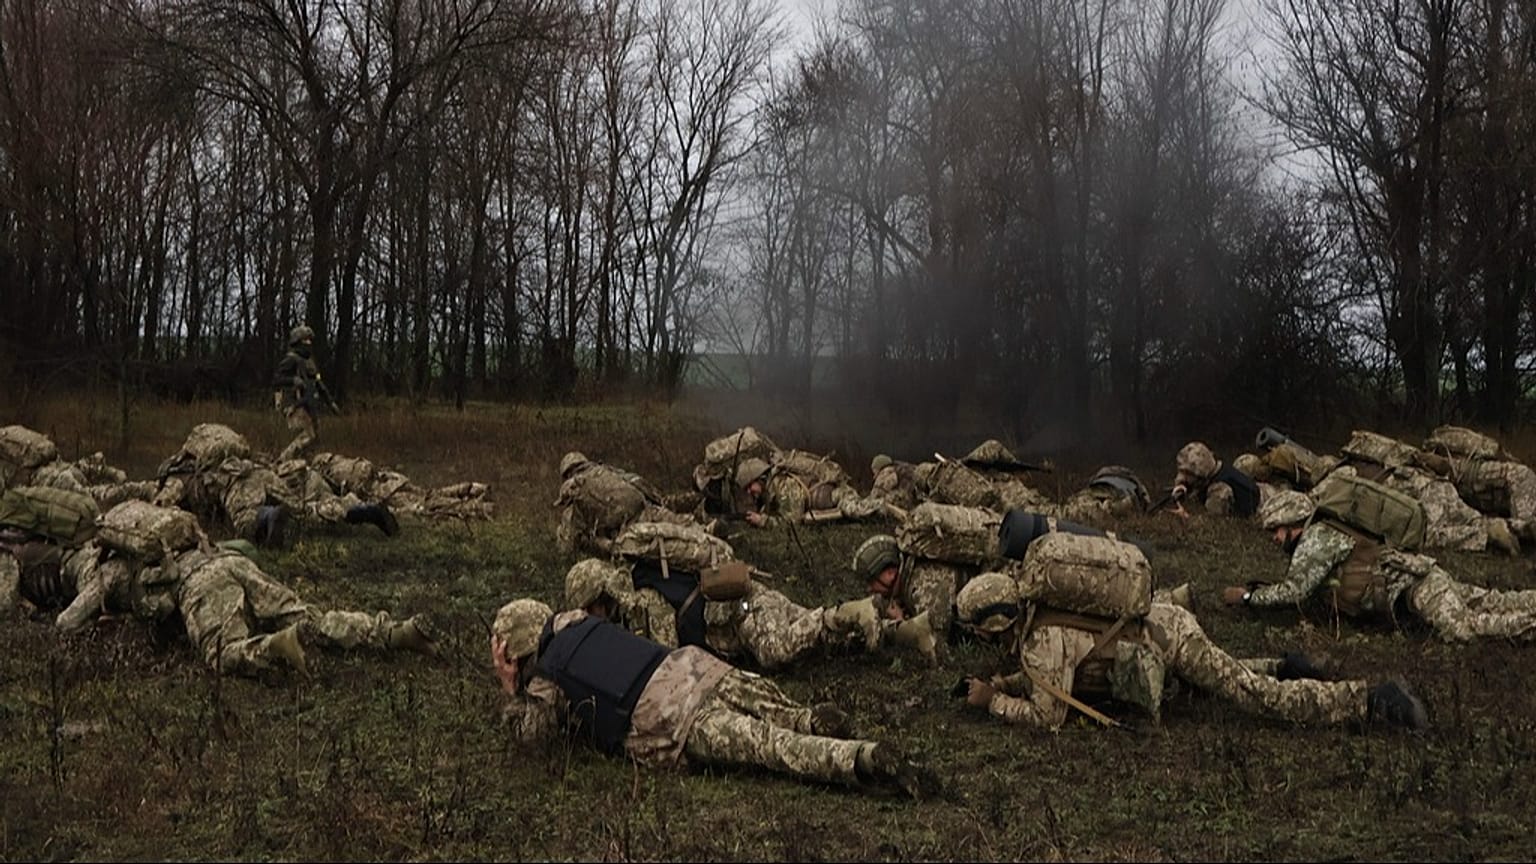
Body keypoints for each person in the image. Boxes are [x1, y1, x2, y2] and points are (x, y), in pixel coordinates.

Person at [488, 597, 940, 799]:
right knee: (780, 714)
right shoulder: (577, 621)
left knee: (771, 748)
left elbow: (536, 741)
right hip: (697, 667)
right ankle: (808, 718)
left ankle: (860, 758)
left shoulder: (546, 679)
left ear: (517, 649)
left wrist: (512, 690)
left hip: (672, 717)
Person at [951, 551, 1428, 732]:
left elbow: (1047, 716)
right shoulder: (1038, 617)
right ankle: (1285, 665)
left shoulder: (1039, 640)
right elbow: (1056, 674)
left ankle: (1371, 701)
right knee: (1225, 677)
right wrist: (1010, 680)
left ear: (994, 623)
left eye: (976, 629)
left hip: (1171, 639)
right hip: (1163, 630)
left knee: (1250, 696)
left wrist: (993, 702)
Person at [1, 503, 438, 678]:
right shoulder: (155, 530)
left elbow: (67, 622)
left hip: (200, 585)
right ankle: (394, 633)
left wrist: (48, 619)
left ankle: (276, 647)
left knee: (222, 653)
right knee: (310, 614)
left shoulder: (100, 571)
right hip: (230, 561)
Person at [1224, 490, 1536, 643]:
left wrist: (1249, 598)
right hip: (1420, 578)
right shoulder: (1327, 531)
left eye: (1275, 530)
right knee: (1494, 599)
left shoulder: (1316, 538)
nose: (1274, 538)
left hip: (1416, 588)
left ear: (1294, 523)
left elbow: (1295, 591)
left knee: (1464, 629)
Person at [563, 555, 923, 669]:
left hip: (745, 612)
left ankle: (848, 612)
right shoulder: (639, 588)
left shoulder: (644, 601)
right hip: (751, 603)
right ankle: (906, 632)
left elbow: (668, 657)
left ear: (599, 598)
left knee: (776, 651)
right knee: (820, 645)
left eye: (588, 608)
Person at [155, 423, 398, 546]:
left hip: (239, 486)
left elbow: (161, 506)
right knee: (303, 510)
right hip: (263, 473)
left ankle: (269, 515)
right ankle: (362, 510)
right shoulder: (217, 447)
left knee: (245, 523)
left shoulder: (179, 477)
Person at [554, 451, 701, 556]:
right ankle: (709, 533)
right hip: (649, 510)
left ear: (566, 475)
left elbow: (566, 548)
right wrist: (661, 502)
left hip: (628, 533)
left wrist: (562, 533)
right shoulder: (607, 471)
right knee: (690, 530)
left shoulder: (574, 490)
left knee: (674, 551)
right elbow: (638, 482)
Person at [734, 456, 887, 529]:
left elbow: (794, 522)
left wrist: (763, 521)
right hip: (829, 504)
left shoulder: (784, 486)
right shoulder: (772, 490)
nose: (749, 491)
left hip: (838, 496)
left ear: (760, 478)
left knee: (858, 511)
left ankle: (890, 508)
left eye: (750, 486)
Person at [273, 324, 335, 461]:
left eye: (310, 340)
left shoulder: (310, 362)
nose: (309, 343)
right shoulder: (291, 359)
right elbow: (276, 380)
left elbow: (318, 381)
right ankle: (282, 462)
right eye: (305, 340)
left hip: (309, 404)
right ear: (297, 342)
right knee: (306, 436)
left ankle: (302, 465)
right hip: (295, 405)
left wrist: (330, 401)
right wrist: (293, 380)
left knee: (313, 440)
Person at [1168, 441, 1260, 517]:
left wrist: (1185, 515)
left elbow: (1209, 521)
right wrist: (1181, 485)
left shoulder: (1219, 491)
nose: (1183, 477)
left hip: (1263, 504)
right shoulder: (1214, 468)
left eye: (1188, 474)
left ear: (1200, 476)